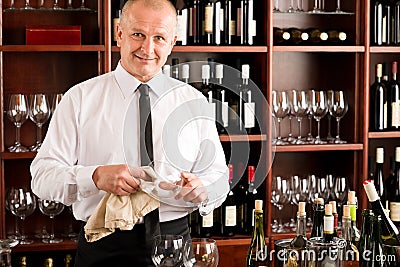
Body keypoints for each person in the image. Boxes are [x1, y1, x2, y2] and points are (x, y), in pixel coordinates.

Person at [30, 0, 229, 266]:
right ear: (119, 34)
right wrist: (95, 176)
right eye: (138, 34)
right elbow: (42, 178)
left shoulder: (192, 102)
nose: (147, 48)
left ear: (172, 43)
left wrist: (203, 189)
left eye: (159, 37)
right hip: (103, 242)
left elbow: (219, 179)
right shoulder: (79, 98)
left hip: (175, 242)